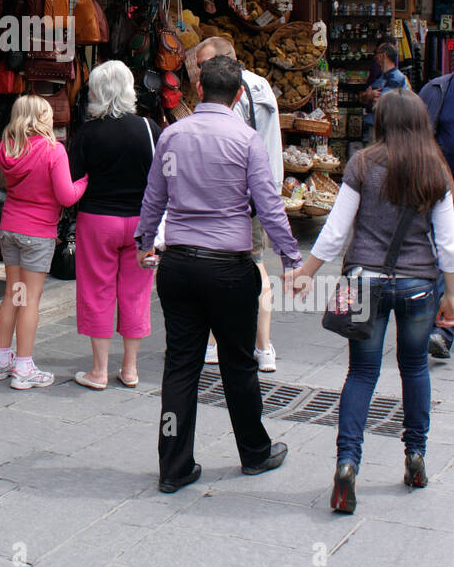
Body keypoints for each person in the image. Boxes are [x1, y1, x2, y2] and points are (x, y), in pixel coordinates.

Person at [135, 55, 301, 493]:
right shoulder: (246, 140)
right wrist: (291, 259)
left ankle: (173, 466)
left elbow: (154, 196)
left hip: (179, 265)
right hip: (229, 267)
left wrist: (144, 240)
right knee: (239, 363)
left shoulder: (172, 135)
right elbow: (268, 205)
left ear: (199, 90)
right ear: (240, 94)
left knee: (181, 367)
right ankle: (253, 451)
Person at [295, 89, 454, 514]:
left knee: (361, 373)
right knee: (415, 367)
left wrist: (305, 273)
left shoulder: (363, 164)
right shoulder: (435, 168)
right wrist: (451, 294)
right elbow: (448, 243)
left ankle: (347, 463)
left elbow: (334, 230)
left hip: (362, 281)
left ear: (381, 122)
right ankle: (415, 456)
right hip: (419, 285)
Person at [68, 60, 160, 389]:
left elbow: (74, 178)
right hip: (140, 223)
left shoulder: (87, 132)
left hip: (97, 220)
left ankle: (99, 371)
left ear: (96, 92)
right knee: (136, 294)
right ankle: (131, 369)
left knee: (97, 292)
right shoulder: (149, 130)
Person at [194, 36, 283, 373]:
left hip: (238, 194)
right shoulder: (263, 86)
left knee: (230, 264)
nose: (201, 73)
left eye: (205, 65)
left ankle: (218, 343)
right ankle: (264, 347)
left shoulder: (235, 94)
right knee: (255, 264)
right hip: (264, 189)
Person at [0, 94, 88, 389]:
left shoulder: (8, 148)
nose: (52, 119)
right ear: (39, 118)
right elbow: (66, 196)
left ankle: (1, 361)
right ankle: (23, 367)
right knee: (30, 300)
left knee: (13, 295)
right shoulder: (53, 150)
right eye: (47, 114)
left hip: (10, 229)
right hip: (37, 234)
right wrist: (85, 180)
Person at [419, 68, 454, 359]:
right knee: (445, 256)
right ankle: (441, 330)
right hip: (441, 190)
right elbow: (419, 139)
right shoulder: (437, 91)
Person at [361, 40, 408, 143]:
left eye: (377, 53)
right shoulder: (382, 77)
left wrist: (371, 96)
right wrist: (369, 95)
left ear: (383, 55)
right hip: (376, 125)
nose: (375, 57)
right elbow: (366, 98)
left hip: (386, 129)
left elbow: (382, 103)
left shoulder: (396, 78)